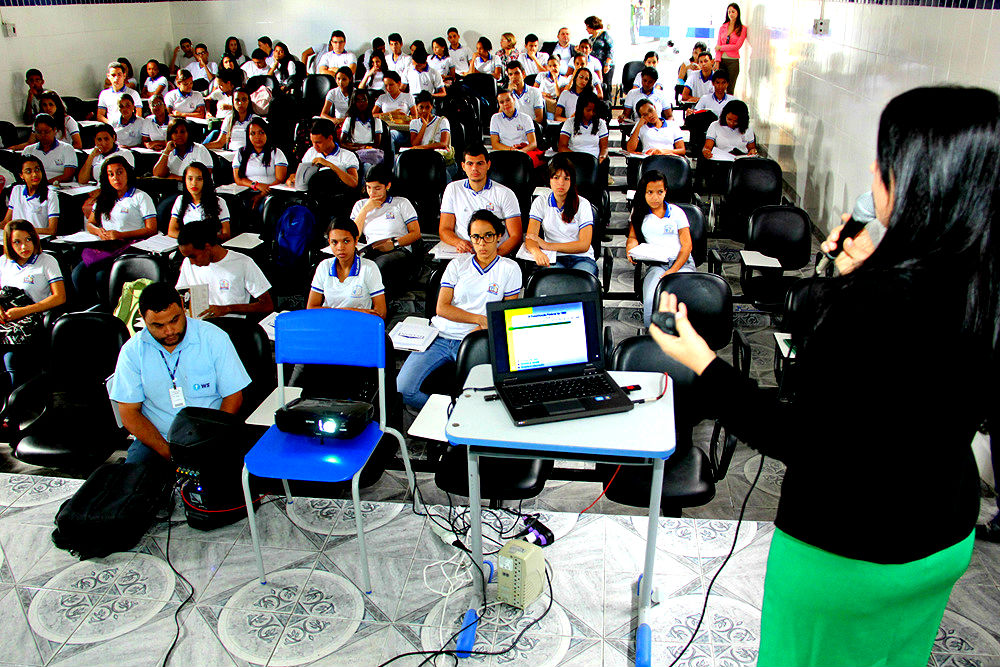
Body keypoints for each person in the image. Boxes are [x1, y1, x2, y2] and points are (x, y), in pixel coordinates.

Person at [652, 85, 1000, 666]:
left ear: (923, 179)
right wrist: (856, 273)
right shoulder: (979, 284)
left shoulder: (875, 303)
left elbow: (800, 437)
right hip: (942, 530)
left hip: (851, 547)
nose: (873, 169)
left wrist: (701, 362)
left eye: (886, 157)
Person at [110, 282, 251, 466]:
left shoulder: (214, 338)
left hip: (211, 435)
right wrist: (167, 452)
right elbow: (129, 412)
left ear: (184, 308)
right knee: (134, 484)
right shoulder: (132, 352)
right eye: (158, 325)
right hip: (158, 440)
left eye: (174, 320)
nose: (169, 331)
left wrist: (212, 440)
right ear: (142, 319)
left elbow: (233, 397)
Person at [398, 209, 521, 409]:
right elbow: (442, 309)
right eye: (476, 237)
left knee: (483, 397)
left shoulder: (509, 268)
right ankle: (450, 413)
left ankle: (464, 418)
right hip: (439, 336)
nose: (481, 243)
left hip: (477, 339)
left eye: (488, 236)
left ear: (499, 236)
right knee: (403, 389)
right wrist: (480, 319)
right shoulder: (457, 264)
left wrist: (480, 329)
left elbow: (504, 313)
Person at [71, 157, 157, 305]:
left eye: (119, 172)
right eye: (111, 174)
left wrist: (120, 235)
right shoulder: (104, 198)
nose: (116, 178)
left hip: (130, 246)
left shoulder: (141, 197)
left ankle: (109, 312)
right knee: (78, 273)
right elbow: (91, 223)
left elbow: (151, 229)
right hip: (106, 246)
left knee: (101, 277)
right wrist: (98, 232)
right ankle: (90, 309)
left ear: (127, 173)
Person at [0, 220, 66, 390]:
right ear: (9, 243)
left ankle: (16, 401)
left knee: (11, 357)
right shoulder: (3, 263)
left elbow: (59, 297)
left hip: (33, 319)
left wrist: (23, 311)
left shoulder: (47, 261)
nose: (24, 247)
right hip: (7, 318)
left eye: (28, 239)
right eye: (17, 242)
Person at [625, 169, 694, 326]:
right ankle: (652, 333)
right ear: (643, 192)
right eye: (650, 192)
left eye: (659, 192)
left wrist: (673, 270)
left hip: (682, 263)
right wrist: (631, 249)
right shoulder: (639, 213)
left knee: (680, 297)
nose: (655, 197)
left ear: (665, 192)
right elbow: (633, 237)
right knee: (651, 296)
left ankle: (682, 335)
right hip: (657, 264)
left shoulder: (677, 213)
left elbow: (687, 246)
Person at [176, 222, 273, 319]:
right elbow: (181, 295)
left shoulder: (243, 263)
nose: (191, 262)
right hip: (201, 325)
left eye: (193, 256)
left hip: (229, 326)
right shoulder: (187, 263)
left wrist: (227, 309)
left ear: (207, 247)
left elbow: (267, 305)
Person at [439, 145, 522, 257]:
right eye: (470, 164)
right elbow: (444, 229)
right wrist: (458, 242)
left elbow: (516, 236)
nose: (474, 168)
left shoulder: (505, 193)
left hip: (496, 253)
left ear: (488, 165)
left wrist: (493, 256)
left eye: (480, 163)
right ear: (463, 166)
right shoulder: (452, 189)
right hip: (464, 252)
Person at [351, 164, 421, 292]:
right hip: (372, 250)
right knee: (356, 267)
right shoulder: (360, 205)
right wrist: (365, 210)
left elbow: (416, 233)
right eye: (368, 188)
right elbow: (352, 235)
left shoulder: (401, 203)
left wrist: (394, 244)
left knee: (378, 267)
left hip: (398, 250)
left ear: (387, 186)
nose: (372, 193)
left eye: (377, 188)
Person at [523, 156, 597, 277]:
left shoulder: (583, 204)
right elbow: (531, 237)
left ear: (571, 181)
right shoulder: (540, 202)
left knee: (580, 283)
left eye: (566, 178)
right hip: (553, 257)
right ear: (549, 180)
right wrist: (536, 252)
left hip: (582, 258)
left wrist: (548, 246)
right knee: (553, 283)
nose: (561, 183)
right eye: (556, 178)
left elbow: (584, 245)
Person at [307, 219, 386, 319]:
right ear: (329, 243)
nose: (340, 247)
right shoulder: (324, 266)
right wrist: (351, 311)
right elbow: (311, 308)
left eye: (346, 241)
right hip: (329, 325)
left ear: (356, 240)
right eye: (334, 242)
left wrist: (335, 311)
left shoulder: (369, 268)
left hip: (358, 327)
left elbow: (381, 313)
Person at [286, 118, 359, 191]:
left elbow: (354, 183)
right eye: (313, 142)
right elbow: (301, 174)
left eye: (318, 142)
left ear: (330, 138)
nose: (315, 146)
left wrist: (329, 165)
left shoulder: (348, 156)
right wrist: (293, 177)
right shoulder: (311, 152)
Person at [232, 117, 288, 208]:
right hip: (246, 192)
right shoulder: (241, 153)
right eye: (252, 133)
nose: (257, 137)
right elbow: (238, 179)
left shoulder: (276, 152)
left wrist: (261, 194)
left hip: (270, 194)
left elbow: (279, 180)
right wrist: (256, 185)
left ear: (267, 134)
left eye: (261, 132)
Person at [168, 162, 231, 240]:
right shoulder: (180, 200)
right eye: (190, 179)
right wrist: (192, 239)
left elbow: (226, 234)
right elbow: (172, 231)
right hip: (188, 243)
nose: (194, 183)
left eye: (199, 179)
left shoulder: (219, 201)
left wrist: (206, 240)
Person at [3, 157, 59, 236]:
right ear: (21, 175)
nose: (35, 174)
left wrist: (22, 231)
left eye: (37, 170)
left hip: (38, 239)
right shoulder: (17, 190)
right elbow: (6, 221)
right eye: (28, 171)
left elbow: (52, 230)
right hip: (17, 238)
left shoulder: (50, 194)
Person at [9, 90, 82, 150]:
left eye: (51, 104)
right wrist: (14, 148)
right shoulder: (38, 120)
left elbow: (78, 145)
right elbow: (30, 142)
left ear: (57, 105)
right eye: (44, 105)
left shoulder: (68, 120)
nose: (48, 108)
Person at [408, 91, 455, 178]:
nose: (424, 110)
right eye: (421, 107)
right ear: (416, 107)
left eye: (427, 107)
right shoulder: (414, 123)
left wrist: (422, 148)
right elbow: (414, 143)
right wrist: (424, 126)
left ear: (432, 107)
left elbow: (443, 143)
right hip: (421, 159)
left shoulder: (442, 121)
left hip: (440, 159)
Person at [22, 115, 76, 184]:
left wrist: (44, 184)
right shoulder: (28, 150)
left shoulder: (67, 148)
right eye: (39, 132)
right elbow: (23, 174)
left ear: (54, 130)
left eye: (46, 132)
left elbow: (68, 176)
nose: (43, 135)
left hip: (59, 187)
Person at [558, 93, 609, 161]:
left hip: (594, 162)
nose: (592, 113)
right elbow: (562, 147)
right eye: (588, 110)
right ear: (581, 109)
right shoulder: (569, 123)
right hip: (574, 161)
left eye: (594, 111)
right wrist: (579, 159)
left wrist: (602, 156)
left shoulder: (601, 123)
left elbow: (604, 147)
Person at [339, 89, 384, 163]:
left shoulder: (376, 121)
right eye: (358, 100)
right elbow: (342, 143)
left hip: (370, 153)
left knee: (367, 165)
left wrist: (357, 145)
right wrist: (358, 147)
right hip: (354, 153)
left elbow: (376, 144)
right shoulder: (349, 120)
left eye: (364, 100)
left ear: (368, 101)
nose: (361, 103)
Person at [490, 89, 537, 154]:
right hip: (504, 152)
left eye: (508, 100)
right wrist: (512, 150)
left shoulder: (526, 118)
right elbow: (495, 144)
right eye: (501, 102)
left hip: (523, 153)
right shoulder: (495, 118)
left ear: (514, 100)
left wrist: (521, 152)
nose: (505, 104)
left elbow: (533, 144)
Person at [715, 3, 747, 93]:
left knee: (730, 88)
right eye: (729, 12)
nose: (731, 14)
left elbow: (737, 46)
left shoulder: (742, 28)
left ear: (738, 13)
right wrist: (717, 61)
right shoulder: (723, 27)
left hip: (733, 62)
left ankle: (728, 106)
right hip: (721, 61)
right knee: (719, 88)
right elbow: (718, 44)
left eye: (733, 11)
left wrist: (721, 47)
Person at [585, 15, 614, 85]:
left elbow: (610, 49)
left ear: (591, 26)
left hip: (605, 65)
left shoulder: (604, 35)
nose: (586, 29)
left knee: (606, 85)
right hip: (594, 65)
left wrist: (607, 64)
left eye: (587, 26)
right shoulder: (590, 38)